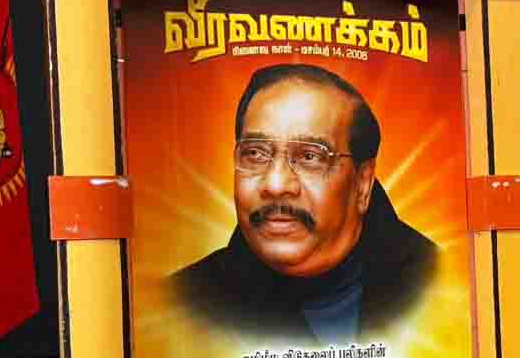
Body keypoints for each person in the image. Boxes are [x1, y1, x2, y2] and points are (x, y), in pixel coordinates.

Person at [172, 64, 437, 343]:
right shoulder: (182, 306)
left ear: (362, 184)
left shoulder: (443, 287)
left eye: (310, 156)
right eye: (255, 153)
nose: (275, 185)